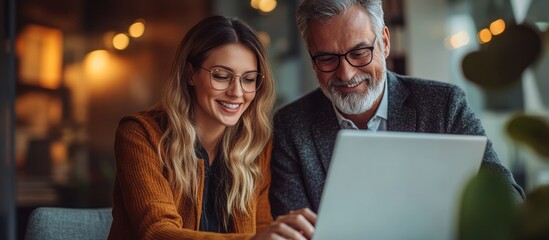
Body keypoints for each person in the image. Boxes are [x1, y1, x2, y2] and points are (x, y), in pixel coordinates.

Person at [269, 0, 525, 218]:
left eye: (359, 53)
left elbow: (508, 200)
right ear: (313, 61)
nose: (346, 74)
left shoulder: (445, 105)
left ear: (385, 42)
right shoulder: (291, 127)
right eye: (326, 58)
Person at [108, 16, 315, 240]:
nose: (237, 92)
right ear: (190, 74)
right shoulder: (140, 134)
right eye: (221, 76)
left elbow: (262, 226)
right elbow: (157, 232)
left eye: (248, 79)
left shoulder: (255, 145)